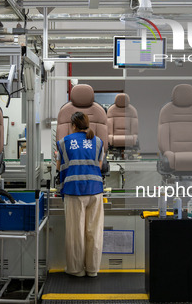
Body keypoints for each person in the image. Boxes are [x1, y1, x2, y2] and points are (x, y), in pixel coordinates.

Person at [55, 112, 105, 277]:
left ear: (73, 125)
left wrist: (59, 188)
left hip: (74, 191)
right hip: (95, 191)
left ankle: (76, 270)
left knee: (76, 233)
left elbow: (59, 169)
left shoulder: (64, 143)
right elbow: (98, 167)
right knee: (94, 232)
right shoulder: (98, 142)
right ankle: (92, 269)